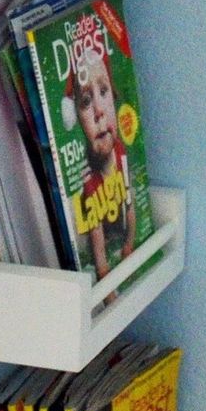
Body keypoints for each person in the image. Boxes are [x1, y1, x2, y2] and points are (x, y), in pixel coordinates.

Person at [64, 46, 135, 279]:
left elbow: (130, 205)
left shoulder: (121, 153)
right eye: (85, 102)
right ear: (77, 119)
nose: (98, 111)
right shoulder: (89, 183)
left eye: (104, 92)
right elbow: (100, 259)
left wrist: (130, 246)